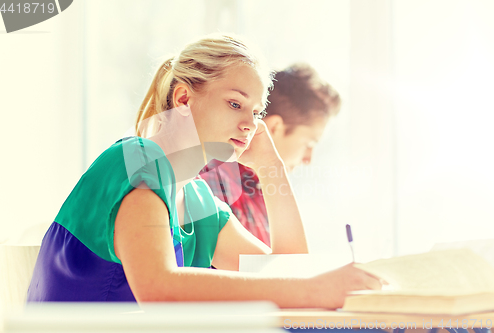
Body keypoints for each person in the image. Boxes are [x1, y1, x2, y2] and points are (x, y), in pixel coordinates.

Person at [27, 34, 381, 308]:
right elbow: (159, 289)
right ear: (183, 99)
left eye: (256, 112)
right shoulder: (137, 160)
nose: (249, 124)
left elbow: (289, 272)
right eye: (235, 103)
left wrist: (271, 169)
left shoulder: (196, 200)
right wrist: (312, 289)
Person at [199, 64, 340, 246]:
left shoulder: (264, 193)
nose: (308, 159)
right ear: (274, 128)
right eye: (308, 144)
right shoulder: (214, 186)